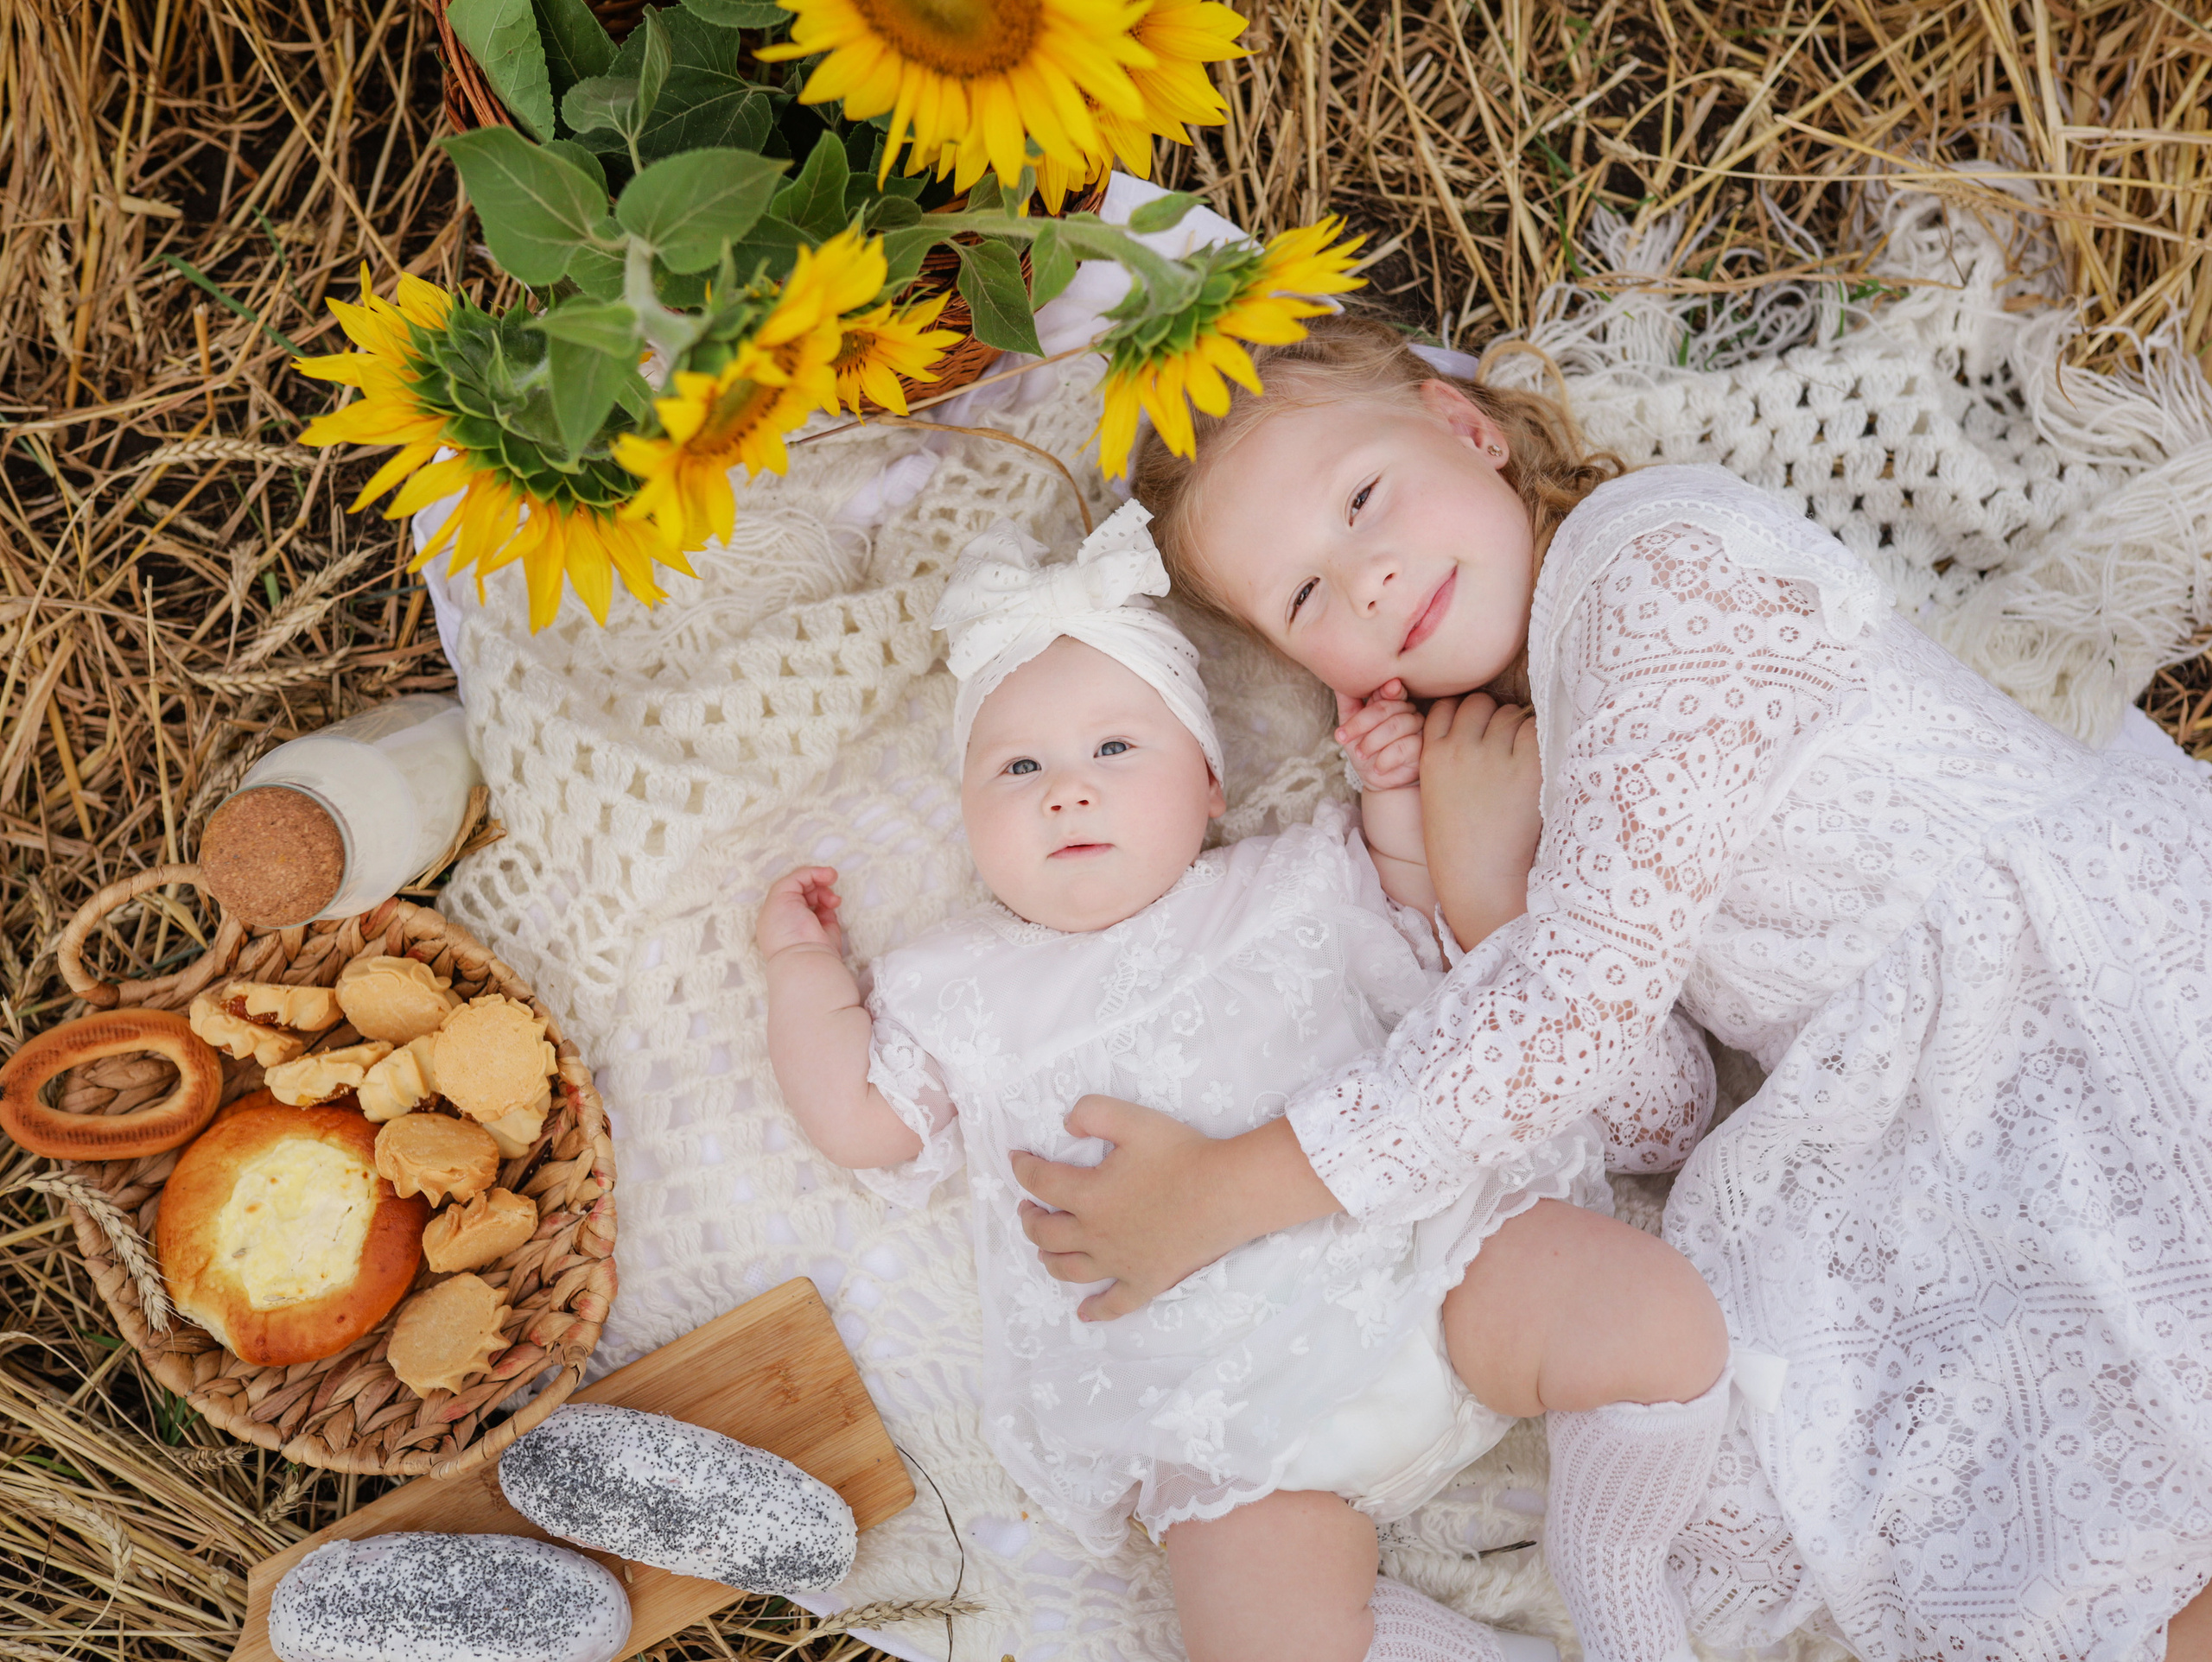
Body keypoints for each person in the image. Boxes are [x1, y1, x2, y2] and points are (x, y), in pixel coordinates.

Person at [1007, 311, 2212, 1661]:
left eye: (1362, 499)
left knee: (2100, 1426)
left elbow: (1580, 1004)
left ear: (1466, 429)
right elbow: (1665, 1114)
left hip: (2047, 977)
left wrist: (1231, 1190)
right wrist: (1482, 893)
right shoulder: (1539, 743)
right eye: (1302, 598)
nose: (1366, 578)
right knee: (2017, 1507)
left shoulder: (1653, 564)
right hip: (1893, 1084)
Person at [756, 502, 1740, 1662]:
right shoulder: (965, 985)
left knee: (1661, 1323)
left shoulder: (1292, 878)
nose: (1067, 790)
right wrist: (797, 969)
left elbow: (1423, 930)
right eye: (1018, 767)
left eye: (1117, 749)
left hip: (1428, 1254)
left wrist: (1391, 794)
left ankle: (1624, 1596)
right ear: (971, 820)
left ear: (1211, 785)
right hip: (1212, 1404)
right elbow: (862, 1124)